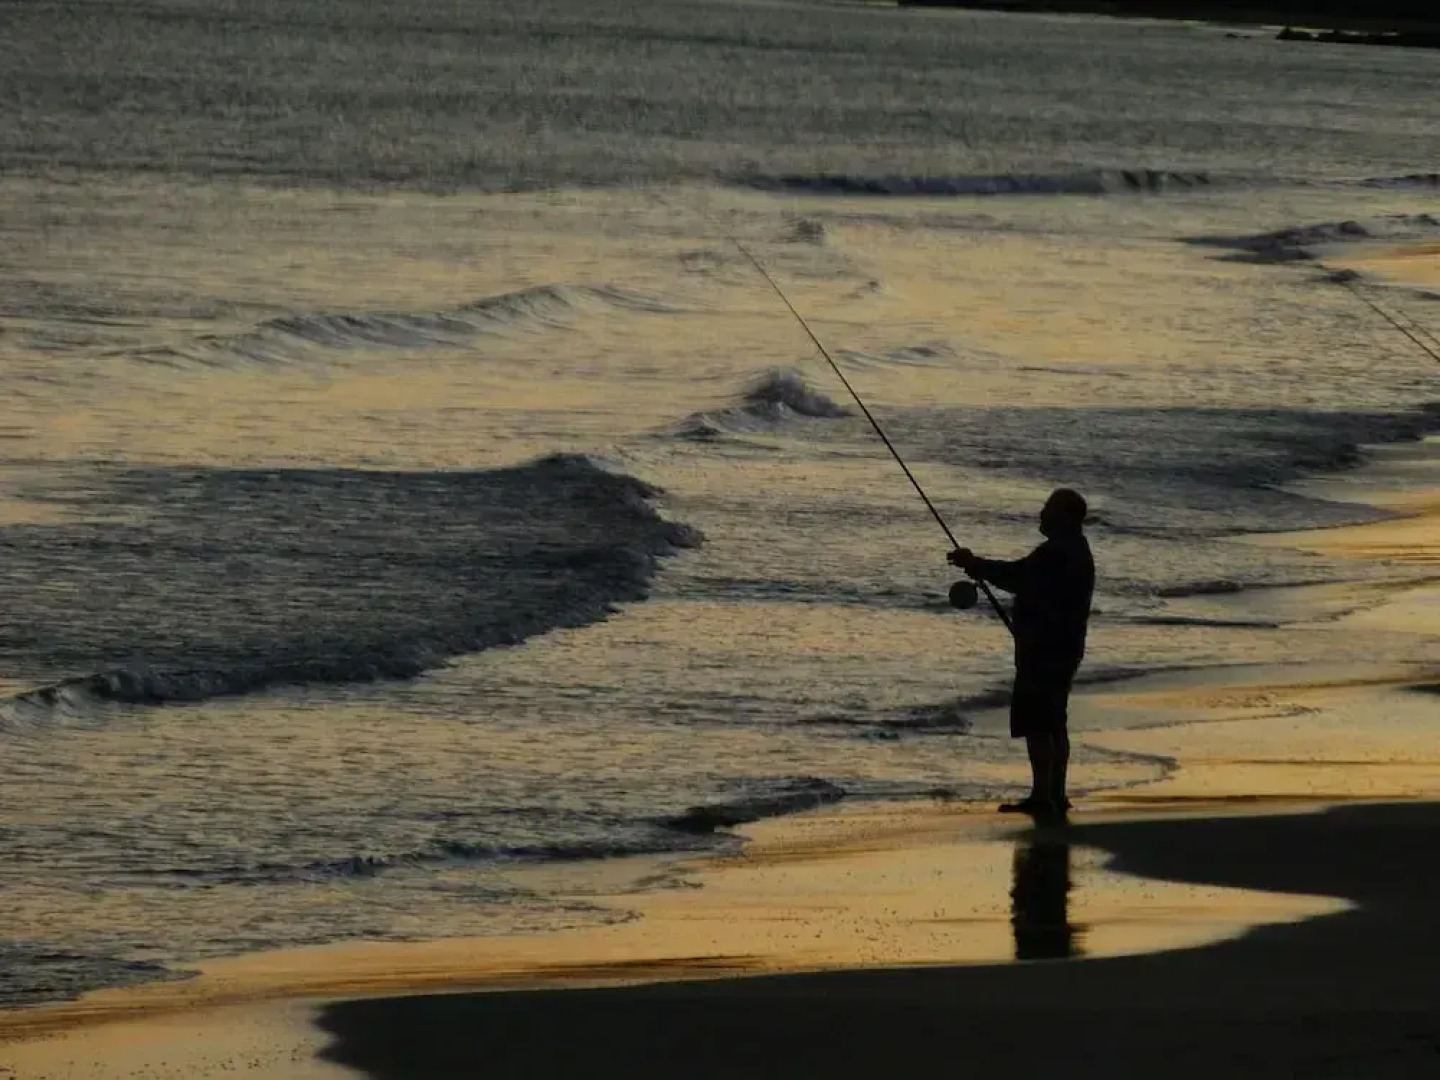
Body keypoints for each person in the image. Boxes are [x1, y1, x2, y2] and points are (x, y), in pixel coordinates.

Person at [948, 488, 1094, 819]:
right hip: (1062, 647)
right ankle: (1054, 792)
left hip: (1045, 649)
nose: (1041, 515)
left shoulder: (1058, 553)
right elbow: (1022, 578)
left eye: (1048, 510)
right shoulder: (1073, 550)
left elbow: (1018, 577)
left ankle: (1043, 797)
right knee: (1055, 721)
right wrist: (978, 567)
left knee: (1040, 722)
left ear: (1066, 517)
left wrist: (975, 565)